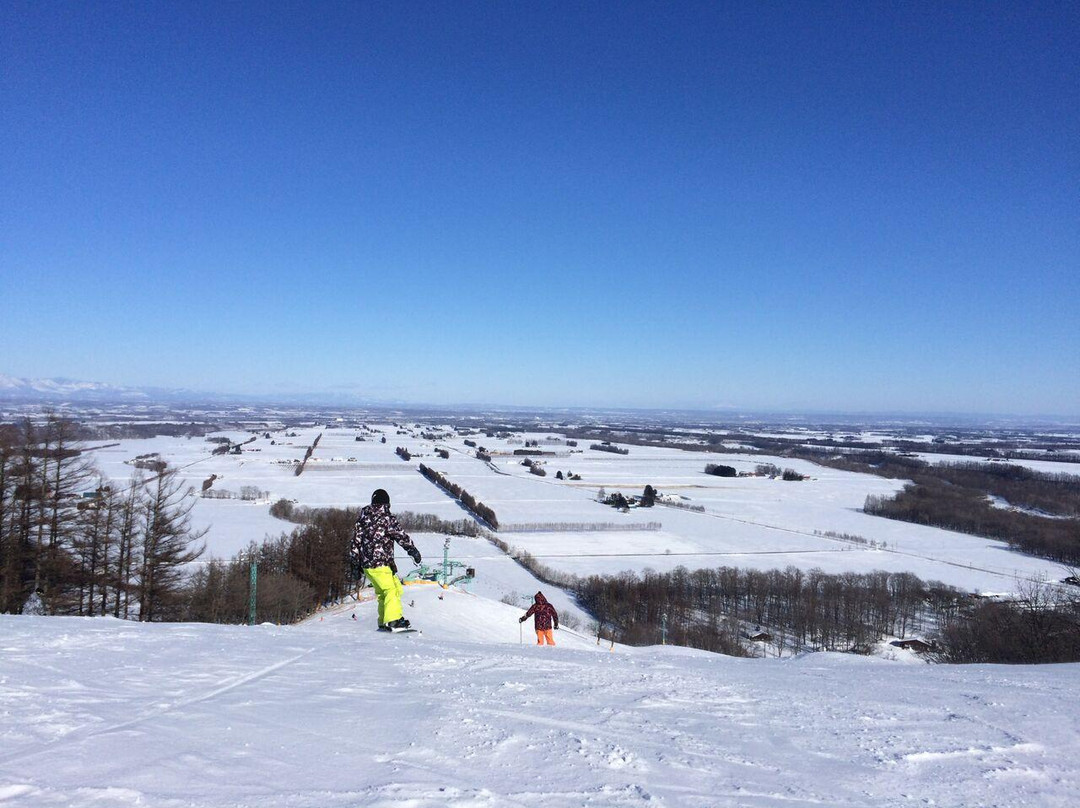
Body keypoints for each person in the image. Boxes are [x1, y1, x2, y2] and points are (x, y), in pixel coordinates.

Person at [352, 489, 421, 631]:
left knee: (393, 589)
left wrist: (354, 564)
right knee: (390, 590)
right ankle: (393, 620)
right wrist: (412, 550)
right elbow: (401, 536)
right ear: (387, 504)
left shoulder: (362, 519)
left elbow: (355, 542)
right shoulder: (387, 518)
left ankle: (385, 620)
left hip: (368, 565)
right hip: (380, 563)